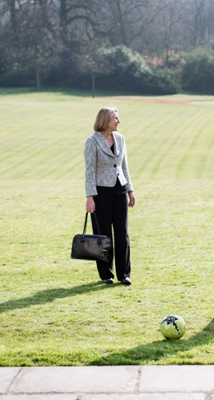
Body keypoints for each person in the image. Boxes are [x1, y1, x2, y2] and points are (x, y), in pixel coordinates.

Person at [84, 107, 136, 285]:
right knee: (103, 235)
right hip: (101, 193)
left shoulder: (120, 139)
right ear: (106, 120)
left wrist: (130, 191)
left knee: (122, 234)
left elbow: (124, 167)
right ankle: (106, 274)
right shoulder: (92, 142)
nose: (119, 121)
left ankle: (124, 274)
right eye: (116, 118)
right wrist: (90, 197)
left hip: (119, 190)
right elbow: (90, 171)